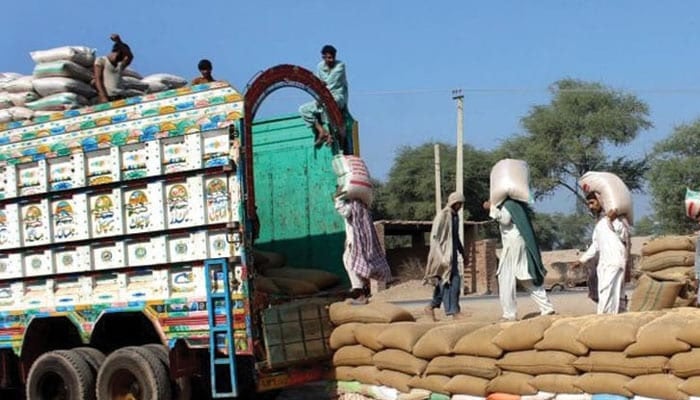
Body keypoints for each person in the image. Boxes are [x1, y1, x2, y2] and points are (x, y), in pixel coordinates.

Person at [484, 198, 555, 321]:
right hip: (515, 242)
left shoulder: (509, 204)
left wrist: (491, 207)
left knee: (505, 276)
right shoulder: (516, 205)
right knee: (524, 276)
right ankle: (546, 307)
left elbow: (505, 220)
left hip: (513, 243)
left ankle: (509, 314)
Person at [573, 192, 630, 314]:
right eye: (588, 204)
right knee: (612, 294)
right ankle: (618, 320)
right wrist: (582, 260)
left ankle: (602, 321)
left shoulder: (616, 219)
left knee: (607, 292)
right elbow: (596, 245)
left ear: (600, 201)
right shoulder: (600, 223)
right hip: (604, 263)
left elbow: (624, 235)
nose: (590, 206)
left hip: (614, 261)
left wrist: (612, 219)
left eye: (592, 203)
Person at [334, 189, 391, 304]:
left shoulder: (353, 205)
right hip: (361, 243)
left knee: (350, 263)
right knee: (352, 263)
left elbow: (344, 212)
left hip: (356, 243)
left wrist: (338, 200)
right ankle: (361, 291)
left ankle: (359, 293)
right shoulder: (362, 204)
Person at [423, 192, 468, 321]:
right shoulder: (443, 216)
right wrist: (440, 256)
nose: (460, 206)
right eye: (459, 204)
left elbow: (455, 237)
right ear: (454, 203)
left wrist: (462, 252)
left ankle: (430, 307)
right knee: (452, 282)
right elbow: (435, 237)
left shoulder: (455, 217)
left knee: (443, 284)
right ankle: (454, 312)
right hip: (442, 256)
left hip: (451, 255)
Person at [299, 45, 348, 146]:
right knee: (303, 109)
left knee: (328, 104)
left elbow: (331, 83)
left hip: (338, 97)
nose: (331, 60)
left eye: (333, 57)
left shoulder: (340, 66)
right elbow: (318, 83)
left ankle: (332, 134)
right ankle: (322, 131)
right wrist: (320, 96)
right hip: (323, 97)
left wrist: (321, 97)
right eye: (329, 58)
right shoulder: (320, 66)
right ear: (323, 57)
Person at [94, 34, 134, 103]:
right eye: (124, 55)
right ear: (118, 52)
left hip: (121, 97)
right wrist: (103, 96)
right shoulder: (101, 60)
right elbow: (98, 79)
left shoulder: (120, 65)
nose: (125, 58)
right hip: (109, 97)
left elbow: (130, 56)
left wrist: (119, 41)